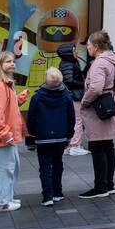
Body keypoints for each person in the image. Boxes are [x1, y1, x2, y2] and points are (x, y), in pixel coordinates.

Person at [78, 30, 115, 199]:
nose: (87, 48)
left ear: (96, 47)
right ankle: (109, 184)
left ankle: (100, 187)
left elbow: (96, 88)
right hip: (112, 103)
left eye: (88, 45)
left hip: (100, 108)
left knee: (97, 146)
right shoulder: (114, 60)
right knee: (107, 145)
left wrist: (85, 101)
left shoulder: (99, 63)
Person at [0, 51, 28, 213]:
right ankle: (2, 202)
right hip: (4, 136)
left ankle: (6, 197)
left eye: (13, 61)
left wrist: (19, 99)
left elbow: (6, 108)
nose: (12, 64)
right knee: (3, 168)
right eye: (8, 61)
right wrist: (5, 134)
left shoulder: (4, 85)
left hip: (8, 135)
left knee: (11, 167)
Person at [26, 67, 76, 205]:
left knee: (45, 166)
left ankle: (47, 196)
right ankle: (57, 192)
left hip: (42, 137)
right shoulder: (66, 96)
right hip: (60, 136)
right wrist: (69, 135)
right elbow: (71, 117)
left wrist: (31, 135)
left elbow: (31, 118)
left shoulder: (37, 97)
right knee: (58, 163)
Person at [56, 42, 89, 156]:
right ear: (68, 53)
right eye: (74, 51)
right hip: (75, 95)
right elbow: (69, 80)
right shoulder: (67, 64)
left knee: (75, 119)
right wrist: (83, 84)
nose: (76, 52)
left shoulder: (70, 63)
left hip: (74, 95)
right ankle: (75, 145)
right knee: (78, 120)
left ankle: (70, 145)